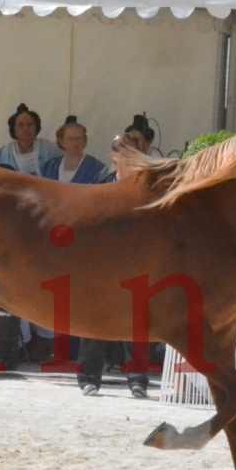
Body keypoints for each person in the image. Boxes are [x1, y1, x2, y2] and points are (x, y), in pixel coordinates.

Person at [79, 113, 159, 399]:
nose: (126, 153)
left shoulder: (150, 184)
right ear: (113, 156)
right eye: (121, 148)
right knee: (94, 315)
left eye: (132, 146)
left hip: (137, 260)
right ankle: (89, 377)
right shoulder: (101, 181)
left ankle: (137, 379)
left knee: (137, 321)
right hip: (103, 259)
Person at [40, 115, 111, 185]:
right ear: (61, 141)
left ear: (85, 141)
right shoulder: (49, 167)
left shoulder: (98, 169)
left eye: (79, 138)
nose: (75, 142)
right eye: (70, 139)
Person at [0, 103, 59, 176]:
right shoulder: (4, 153)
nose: (26, 129)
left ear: (37, 127)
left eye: (30, 124)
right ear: (13, 129)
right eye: (21, 125)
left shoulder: (50, 149)